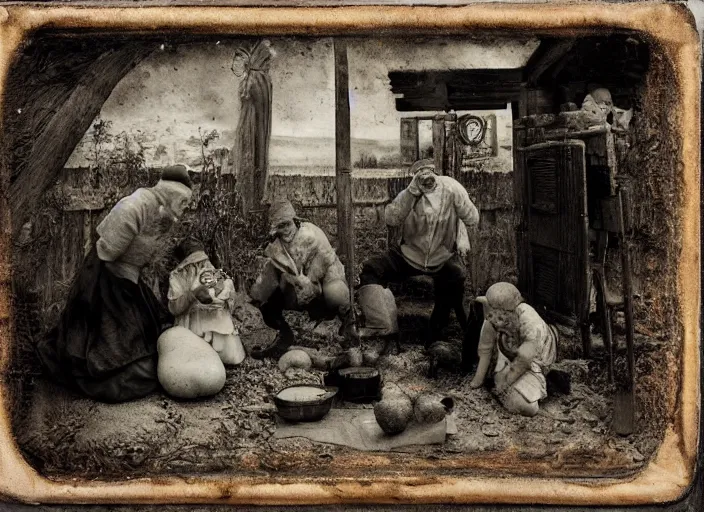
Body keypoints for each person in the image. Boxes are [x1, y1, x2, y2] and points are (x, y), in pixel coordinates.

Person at [36, 165, 193, 403]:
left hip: (128, 282)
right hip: (106, 282)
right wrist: (114, 290)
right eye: (183, 202)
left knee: (150, 338)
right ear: (172, 194)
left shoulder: (159, 210)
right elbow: (107, 253)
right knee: (112, 353)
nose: (185, 209)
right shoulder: (133, 206)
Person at [358, 159, 480, 346]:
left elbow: (472, 218)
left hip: (441, 256)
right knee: (371, 268)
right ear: (413, 176)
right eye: (419, 173)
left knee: (456, 276)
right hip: (408, 255)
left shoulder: (450, 189)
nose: (426, 178)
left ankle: (434, 337)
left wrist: (459, 196)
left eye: (429, 172)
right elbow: (391, 219)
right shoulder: (409, 193)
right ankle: (382, 327)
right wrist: (411, 192)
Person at [248, 200, 358, 360]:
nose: (285, 230)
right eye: (280, 227)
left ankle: (349, 324)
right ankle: (283, 334)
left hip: (323, 280)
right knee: (269, 298)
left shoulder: (312, 235)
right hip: (299, 288)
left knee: (336, 293)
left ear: (295, 221)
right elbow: (271, 273)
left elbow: (324, 261)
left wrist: (309, 281)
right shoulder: (276, 247)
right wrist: (257, 296)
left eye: (287, 225)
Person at [469, 282, 558, 417]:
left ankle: (539, 390)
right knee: (498, 378)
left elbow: (524, 361)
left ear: (509, 310)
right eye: (492, 311)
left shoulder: (530, 322)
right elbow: (485, 348)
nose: (493, 318)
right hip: (510, 353)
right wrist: (478, 379)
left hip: (535, 359)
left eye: (500, 315)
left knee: (525, 406)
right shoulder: (495, 316)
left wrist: (505, 384)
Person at [167, 238, 246, 366]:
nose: (201, 266)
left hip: (215, 325)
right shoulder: (178, 276)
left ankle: (219, 356)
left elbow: (227, 298)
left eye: (202, 262)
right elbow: (174, 308)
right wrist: (192, 295)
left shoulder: (213, 272)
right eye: (195, 263)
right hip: (192, 326)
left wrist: (225, 294)